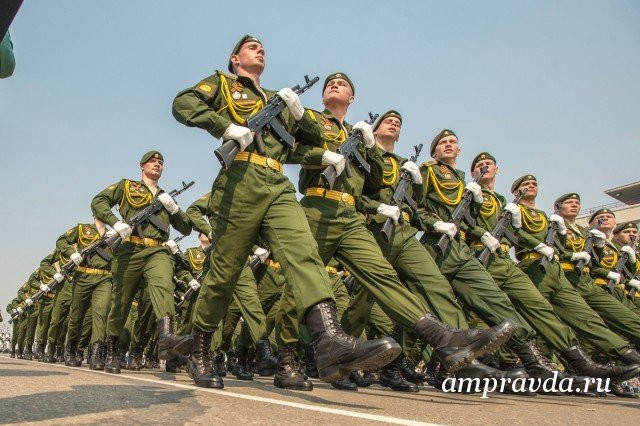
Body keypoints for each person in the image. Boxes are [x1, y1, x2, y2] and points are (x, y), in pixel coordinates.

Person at [91, 150, 193, 374]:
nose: (157, 165)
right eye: (153, 161)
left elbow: (186, 228)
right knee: (121, 302)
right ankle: (112, 350)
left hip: (157, 250)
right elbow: (98, 201)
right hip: (129, 249)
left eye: (161, 162)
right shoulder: (127, 186)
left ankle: (167, 336)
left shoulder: (165, 197)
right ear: (142, 166)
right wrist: (115, 222)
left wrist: (174, 209)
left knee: (164, 286)